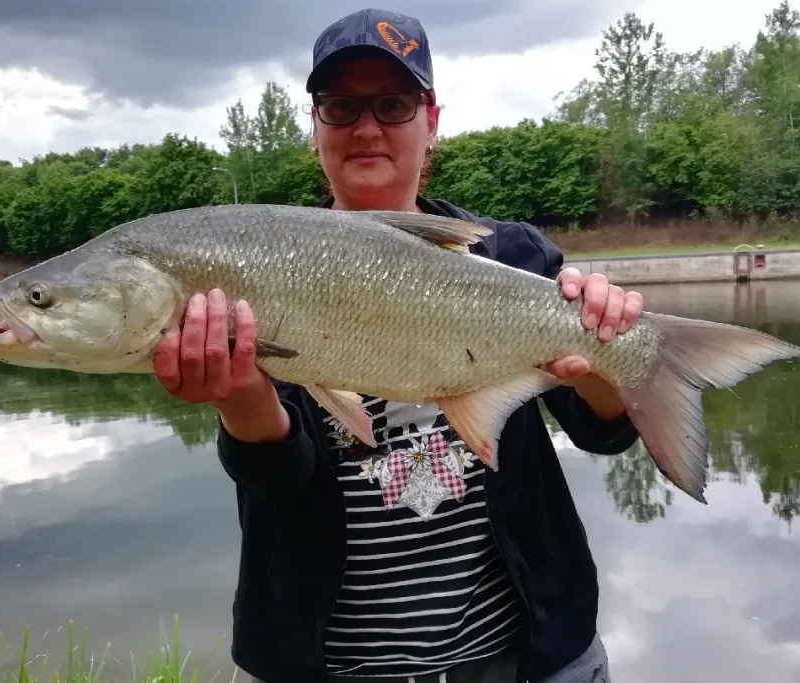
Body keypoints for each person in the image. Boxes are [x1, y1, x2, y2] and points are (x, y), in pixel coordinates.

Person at [153, 8, 644, 683]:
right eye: (341, 106)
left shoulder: (513, 257)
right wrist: (242, 394)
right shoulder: (262, 268)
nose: (366, 127)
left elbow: (604, 431)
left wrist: (608, 354)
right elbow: (280, 477)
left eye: (392, 104)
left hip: (524, 655)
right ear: (315, 126)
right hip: (324, 662)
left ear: (431, 121)